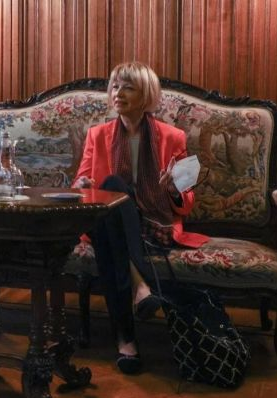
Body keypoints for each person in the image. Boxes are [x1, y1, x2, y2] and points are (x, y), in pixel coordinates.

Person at [72, 61, 208, 374]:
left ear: (145, 95)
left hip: (151, 223)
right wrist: (83, 185)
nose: (118, 93)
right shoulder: (97, 135)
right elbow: (80, 183)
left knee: (111, 241)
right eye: (115, 86)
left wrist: (171, 188)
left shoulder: (173, 137)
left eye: (128, 87)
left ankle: (126, 341)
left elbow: (186, 203)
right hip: (105, 217)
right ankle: (141, 288)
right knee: (110, 187)